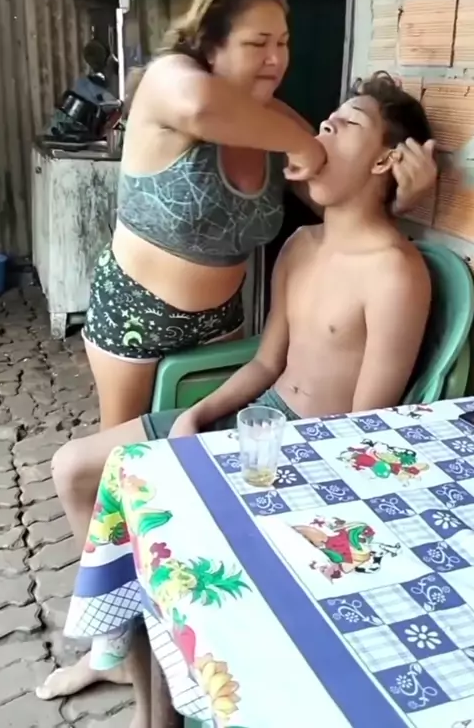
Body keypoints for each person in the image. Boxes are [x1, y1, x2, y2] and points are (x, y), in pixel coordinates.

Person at [38, 74, 434, 712]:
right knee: (74, 468)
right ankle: (118, 649)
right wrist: (195, 416)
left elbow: (365, 429)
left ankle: (156, 700)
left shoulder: (395, 273)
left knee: (172, 555)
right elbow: (269, 361)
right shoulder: (301, 244)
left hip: (306, 459)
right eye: (328, 118)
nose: (324, 128)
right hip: (255, 422)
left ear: (386, 160)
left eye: (349, 124)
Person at [81, 0, 435, 436]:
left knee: (192, 448)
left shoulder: (275, 120)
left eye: (283, 43)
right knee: (124, 458)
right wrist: (304, 145)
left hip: (221, 321)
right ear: (211, 46)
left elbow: (340, 198)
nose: (276, 58)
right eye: (257, 43)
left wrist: (401, 200)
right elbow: (200, 107)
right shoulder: (169, 79)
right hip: (137, 310)